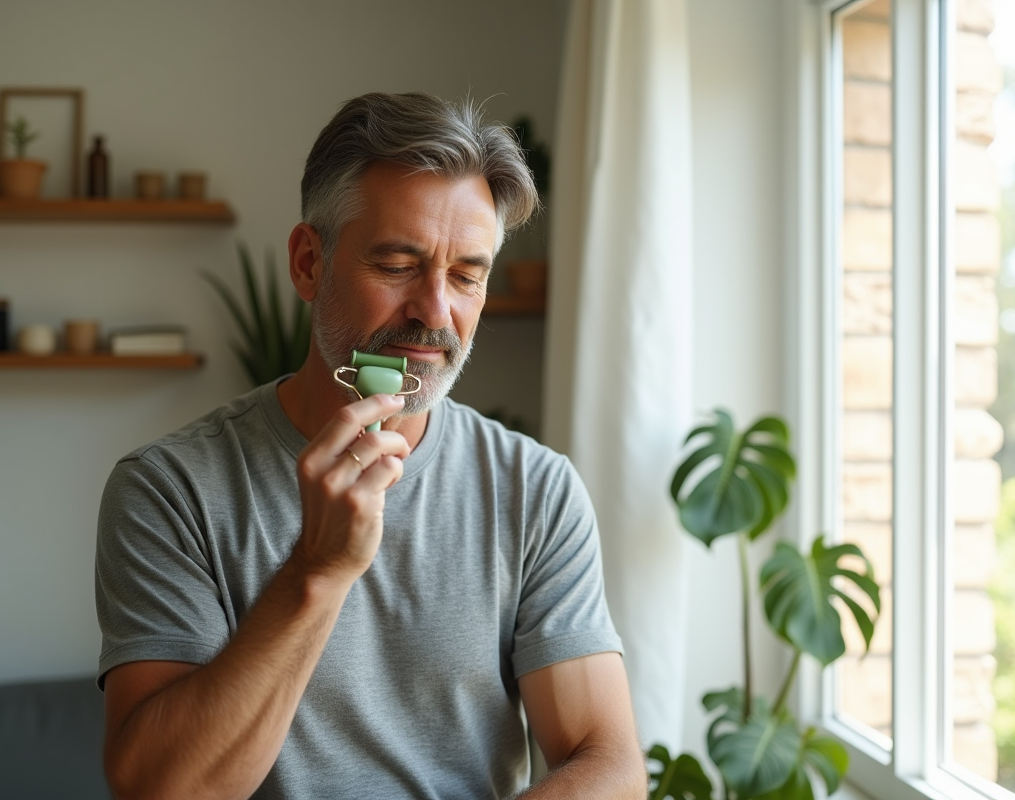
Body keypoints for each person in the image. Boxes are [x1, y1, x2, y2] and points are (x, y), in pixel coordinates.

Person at [95, 91, 648, 800]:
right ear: (308, 263)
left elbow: (611, 767)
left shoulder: (534, 489)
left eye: (466, 275)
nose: (435, 311)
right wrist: (317, 570)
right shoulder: (169, 489)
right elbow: (160, 789)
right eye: (396, 265)